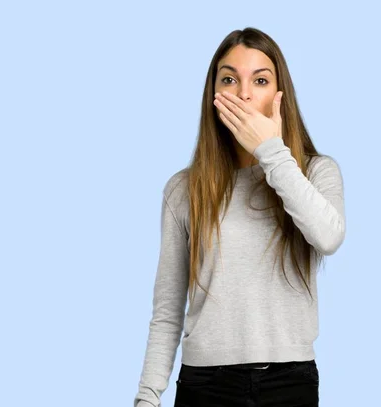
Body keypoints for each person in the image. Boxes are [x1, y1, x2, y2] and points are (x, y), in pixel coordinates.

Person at [133, 27, 345, 407]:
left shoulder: (315, 173)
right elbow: (167, 312)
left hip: (289, 383)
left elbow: (328, 237)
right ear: (213, 95)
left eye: (260, 80)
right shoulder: (183, 190)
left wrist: (271, 152)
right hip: (206, 385)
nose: (244, 93)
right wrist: (147, 398)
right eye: (229, 79)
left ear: (280, 95)